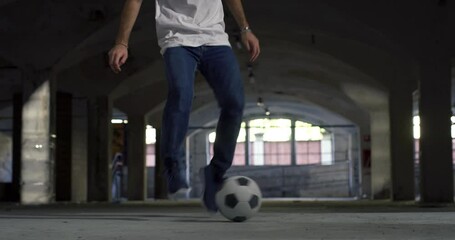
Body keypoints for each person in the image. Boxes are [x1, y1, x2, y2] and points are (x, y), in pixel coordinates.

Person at [108, 0, 260, 213]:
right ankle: (172, 163)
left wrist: (245, 29)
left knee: (234, 102)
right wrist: (122, 42)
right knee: (181, 93)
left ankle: (215, 173)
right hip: (177, 38)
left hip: (215, 38)